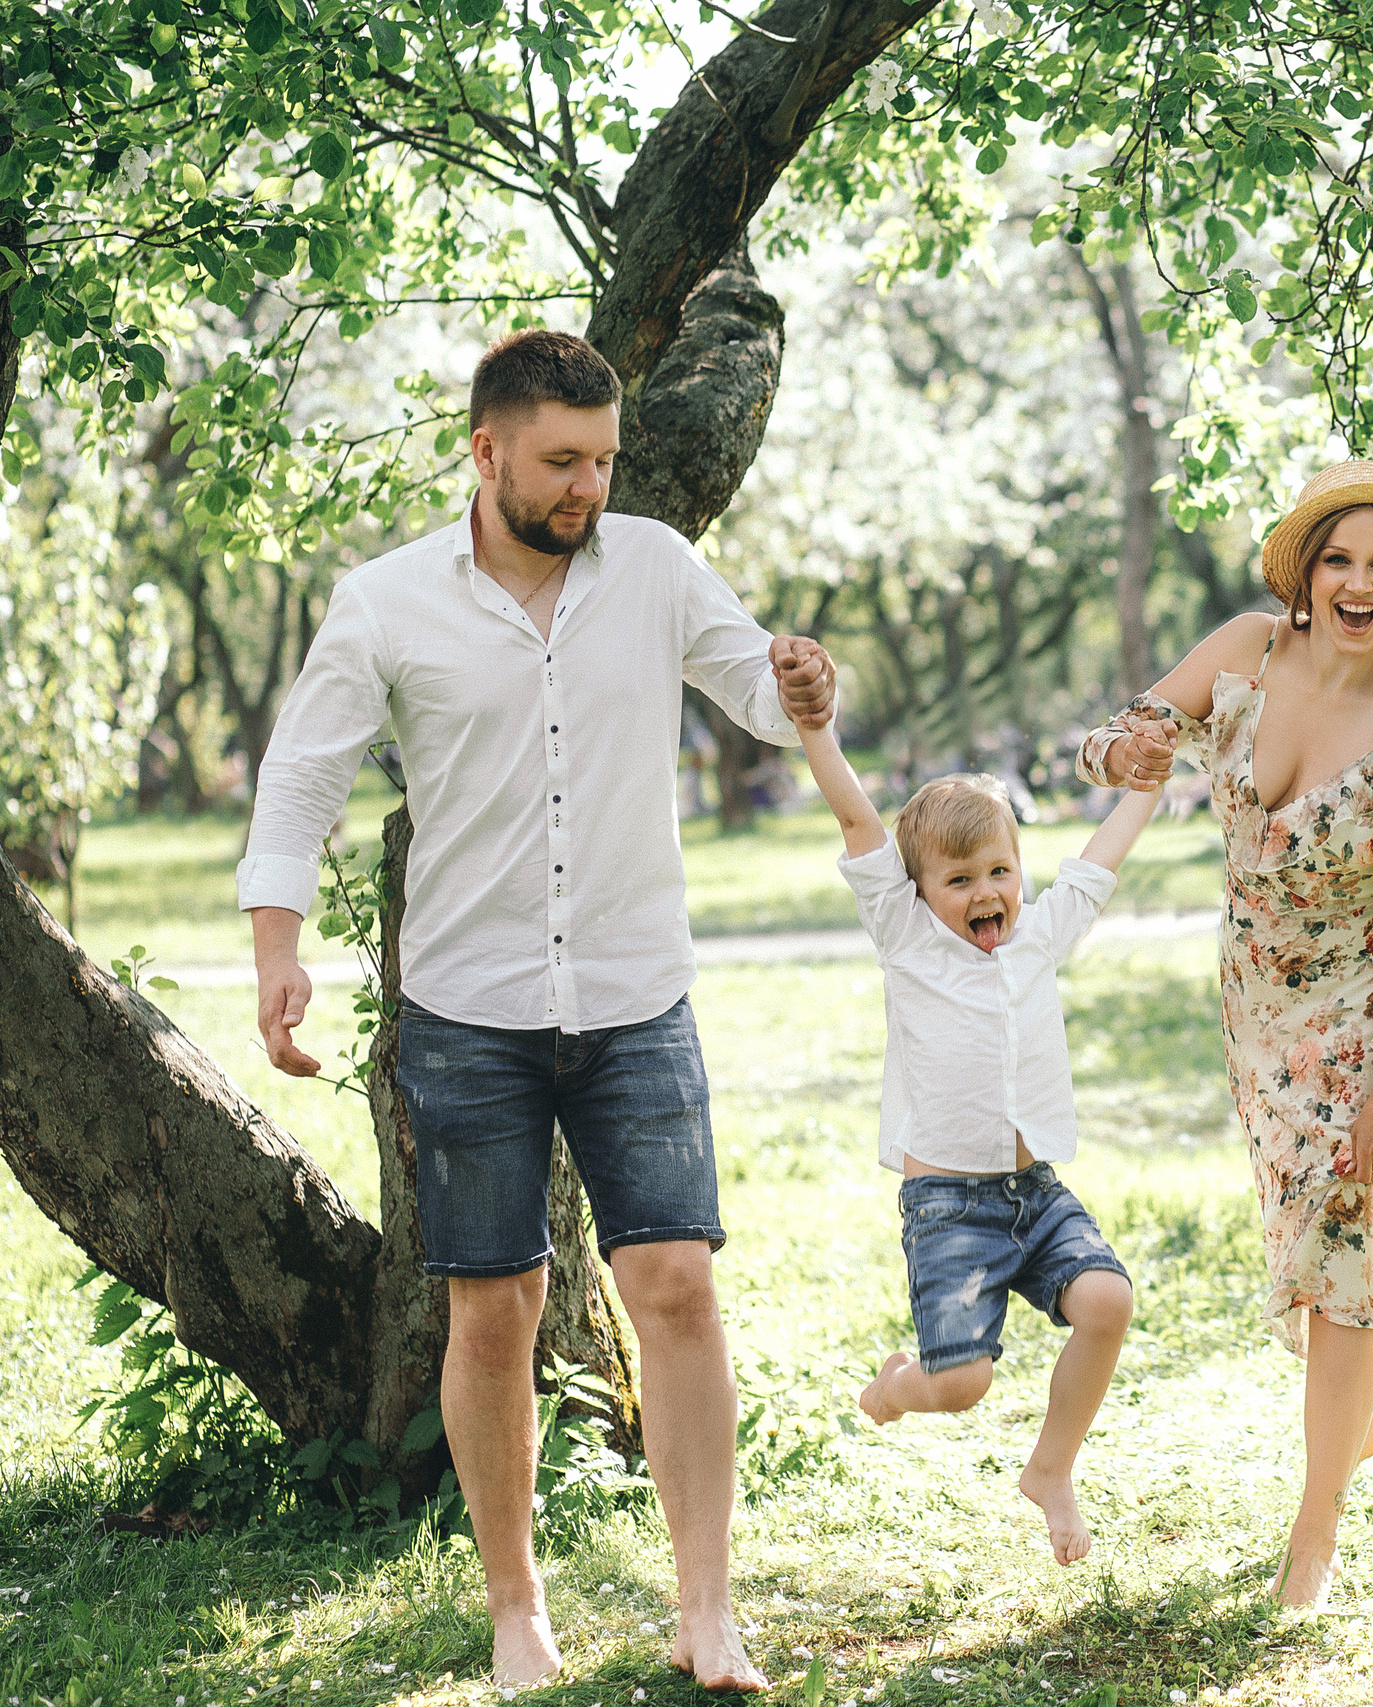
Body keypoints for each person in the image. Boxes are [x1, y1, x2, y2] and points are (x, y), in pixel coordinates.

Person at [240, 328, 836, 1694]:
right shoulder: (388, 601)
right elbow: (301, 778)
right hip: (469, 1000)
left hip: (634, 989)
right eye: (562, 462)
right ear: (487, 448)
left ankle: (705, 1605)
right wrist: (278, 944)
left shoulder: (656, 568)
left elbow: (757, 688)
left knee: (676, 1283)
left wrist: (799, 686)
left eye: (605, 462)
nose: (588, 489)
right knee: (496, 1301)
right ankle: (517, 1605)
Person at [1075, 458, 1373, 1607]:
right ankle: (1351, 1427)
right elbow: (1117, 737)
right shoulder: (1248, 652)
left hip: (1361, 1025)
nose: (1358, 584)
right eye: (1340, 559)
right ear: (1308, 572)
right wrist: (1124, 755)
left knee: (1346, 1270)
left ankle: (1315, 1541)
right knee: (1304, 1258)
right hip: (1256, 1015)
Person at [794, 717, 1154, 1564]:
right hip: (949, 1204)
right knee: (961, 1384)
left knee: (1108, 1302)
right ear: (917, 892)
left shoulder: (1035, 936)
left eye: (1000, 870)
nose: (987, 890)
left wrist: (1145, 786)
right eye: (959, 879)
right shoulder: (908, 939)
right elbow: (857, 824)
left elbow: (1098, 863)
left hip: (1035, 1190)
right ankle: (897, 1386)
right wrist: (818, 731)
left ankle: (1051, 1467)